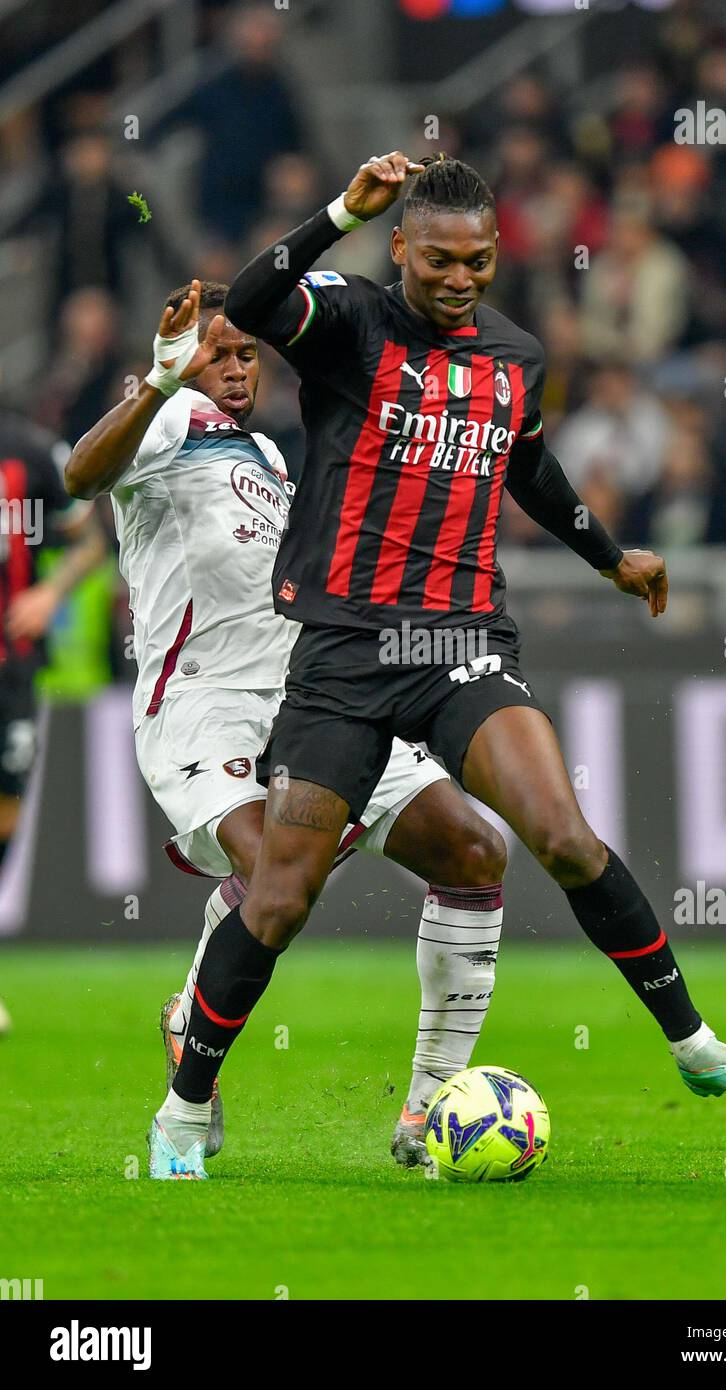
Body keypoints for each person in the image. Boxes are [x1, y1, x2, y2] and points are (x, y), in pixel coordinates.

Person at [162, 152, 726, 1163]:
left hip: (460, 640)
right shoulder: (349, 324)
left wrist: (609, 555)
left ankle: (694, 1043)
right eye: (439, 261)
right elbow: (251, 295)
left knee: (564, 839)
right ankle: (185, 1110)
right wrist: (340, 211)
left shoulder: (514, 355)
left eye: (477, 262)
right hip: (343, 650)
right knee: (280, 895)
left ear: (497, 254)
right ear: (401, 248)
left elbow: (529, 463)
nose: (459, 280)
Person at [65, 280, 510, 1179]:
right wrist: (157, 379)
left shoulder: (266, 449)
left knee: (473, 851)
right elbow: (80, 477)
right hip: (202, 708)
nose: (235, 370)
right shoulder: (165, 421)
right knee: (276, 868)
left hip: (310, 701)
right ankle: (184, 1102)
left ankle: (431, 1110)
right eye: (218, 353)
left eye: (246, 354)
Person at [0, 410, 106, 1034]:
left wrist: (49, 593)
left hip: (13, 670)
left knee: (7, 811)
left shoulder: (29, 450)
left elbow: (91, 541)